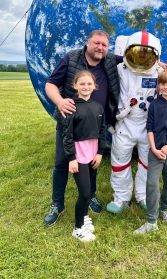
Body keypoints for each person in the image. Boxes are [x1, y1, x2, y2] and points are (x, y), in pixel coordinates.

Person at [44, 30, 121, 226]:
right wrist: (60, 102)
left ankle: (91, 195)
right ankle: (57, 204)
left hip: (95, 127)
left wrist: (158, 64)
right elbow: (51, 84)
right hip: (69, 123)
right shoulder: (71, 58)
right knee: (62, 163)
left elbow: (134, 60)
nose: (100, 48)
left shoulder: (110, 61)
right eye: (96, 43)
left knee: (91, 164)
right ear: (87, 43)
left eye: (104, 45)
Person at [106, 31, 163, 214]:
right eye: (137, 53)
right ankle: (121, 198)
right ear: (127, 52)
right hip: (125, 122)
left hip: (149, 124)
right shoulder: (120, 68)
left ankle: (143, 196)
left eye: (147, 54)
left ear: (156, 54)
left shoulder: (160, 72)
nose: (141, 58)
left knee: (147, 163)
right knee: (120, 161)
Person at [134, 68, 167, 234]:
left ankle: (164, 208)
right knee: (151, 183)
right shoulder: (155, 105)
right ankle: (151, 221)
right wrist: (154, 148)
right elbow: (149, 128)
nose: (165, 87)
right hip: (156, 150)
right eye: (162, 84)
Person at [62, 70, 106, 242]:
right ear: (75, 86)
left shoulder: (98, 107)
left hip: (93, 154)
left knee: (89, 189)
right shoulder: (71, 106)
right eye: (82, 84)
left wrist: (100, 153)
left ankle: (84, 216)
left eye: (89, 84)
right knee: (85, 193)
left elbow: (102, 131)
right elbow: (67, 136)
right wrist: (71, 158)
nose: (86, 87)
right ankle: (78, 227)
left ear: (94, 86)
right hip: (78, 156)